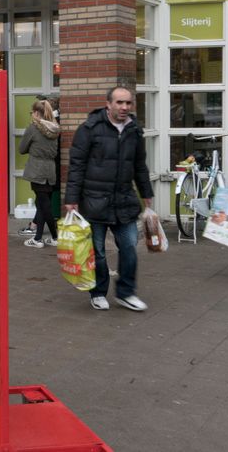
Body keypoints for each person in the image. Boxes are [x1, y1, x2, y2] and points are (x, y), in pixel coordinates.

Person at [64, 86, 153, 312]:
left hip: (124, 201)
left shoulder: (134, 130)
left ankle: (126, 293)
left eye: (128, 103)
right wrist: (71, 199)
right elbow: (76, 166)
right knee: (98, 253)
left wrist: (146, 193)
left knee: (130, 247)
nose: (124, 107)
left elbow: (139, 165)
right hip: (94, 201)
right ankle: (98, 292)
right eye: (119, 103)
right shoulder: (89, 129)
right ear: (108, 104)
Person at [19, 99, 59, 248]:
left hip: (36, 169)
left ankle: (54, 237)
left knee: (45, 205)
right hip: (50, 170)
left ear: (36, 113)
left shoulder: (33, 128)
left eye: (32, 112)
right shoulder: (55, 128)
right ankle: (38, 238)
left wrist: (34, 149)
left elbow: (22, 149)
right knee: (42, 204)